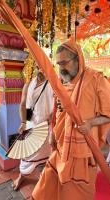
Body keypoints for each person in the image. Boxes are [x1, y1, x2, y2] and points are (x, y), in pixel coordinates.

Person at [32, 39, 110, 200]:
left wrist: (90, 123)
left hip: (83, 151)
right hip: (62, 145)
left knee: (75, 192)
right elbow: (57, 110)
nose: (61, 68)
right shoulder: (61, 82)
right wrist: (52, 132)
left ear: (78, 59)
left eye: (64, 63)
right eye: (58, 64)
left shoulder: (96, 80)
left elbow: (108, 114)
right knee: (49, 184)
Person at [12, 69, 54, 190]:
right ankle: (22, 176)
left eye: (43, 67)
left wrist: (49, 120)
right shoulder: (28, 84)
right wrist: (23, 122)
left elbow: (56, 106)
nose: (40, 69)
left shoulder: (53, 85)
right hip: (31, 126)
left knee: (47, 155)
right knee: (27, 155)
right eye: (38, 66)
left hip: (45, 127)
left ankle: (44, 178)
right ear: (35, 67)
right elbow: (22, 104)